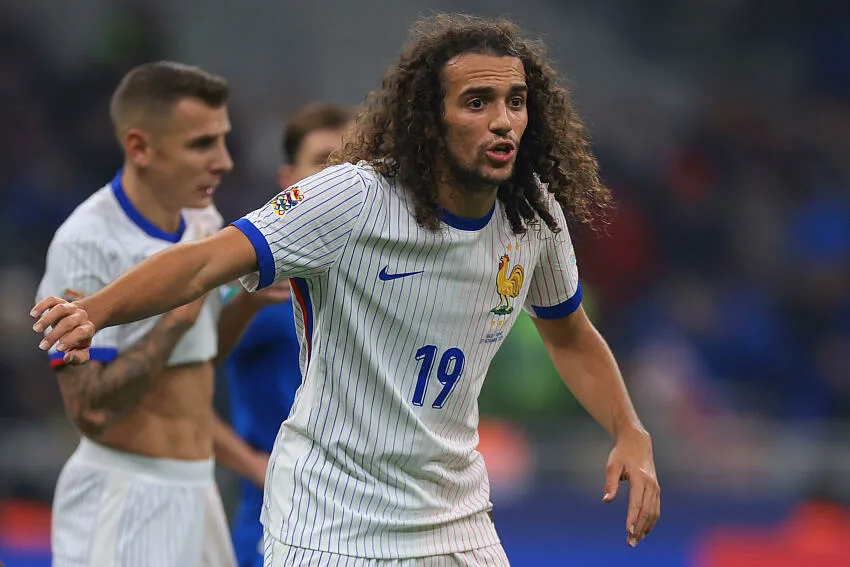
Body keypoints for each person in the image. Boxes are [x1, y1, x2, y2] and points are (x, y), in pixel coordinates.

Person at [33, 14, 661, 566]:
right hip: (333, 526)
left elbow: (571, 335)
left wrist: (630, 430)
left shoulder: (533, 217)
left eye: (516, 100)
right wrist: (94, 310)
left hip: (456, 518)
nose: (503, 121)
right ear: (429, 119)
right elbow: (203, 261)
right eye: (476, 102)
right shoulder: (354, 200)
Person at [34, 61, 287, 567]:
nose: (223, 162)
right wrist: (173, 319)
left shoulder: (203, 219)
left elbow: (199, 366)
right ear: (140, 148)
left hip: (199, 490)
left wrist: (245, 305)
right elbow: (89, 412)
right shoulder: (87, 243)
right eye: (201, 144)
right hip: (125, 495)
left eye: (223, 140)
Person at [224, 102, 354, 567]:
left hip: (364, 515)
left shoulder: (375, 276)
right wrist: (256, 467)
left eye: (352, 160)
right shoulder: (256, 281)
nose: (339, 175)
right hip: (276, 515)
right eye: (322, 160)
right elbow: (178, 392)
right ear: (287, 180)